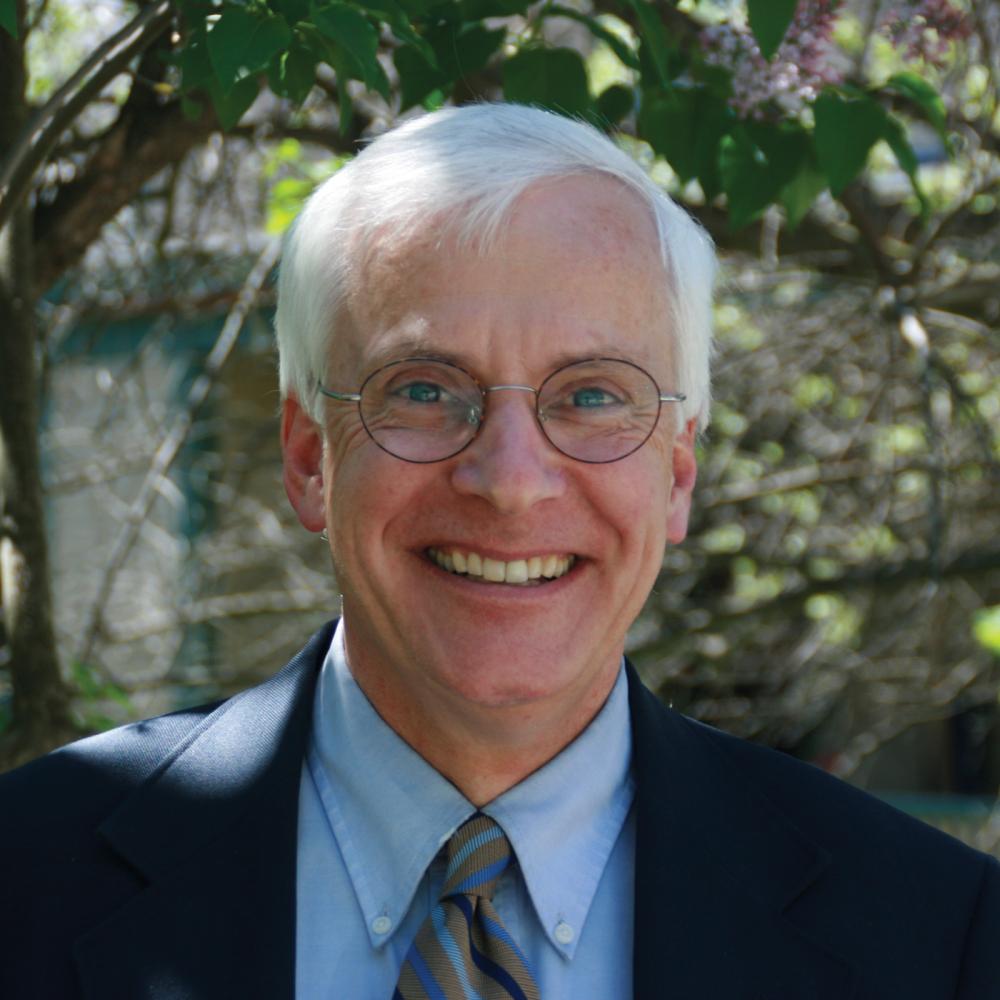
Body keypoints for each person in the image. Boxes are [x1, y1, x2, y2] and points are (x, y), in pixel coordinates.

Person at [1, 103, 997, 1000]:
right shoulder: (25, 881)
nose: (511, 480)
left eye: (592, 395)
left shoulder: (938, 941)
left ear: (679, 472)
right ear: (309, 456)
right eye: (425, 389)